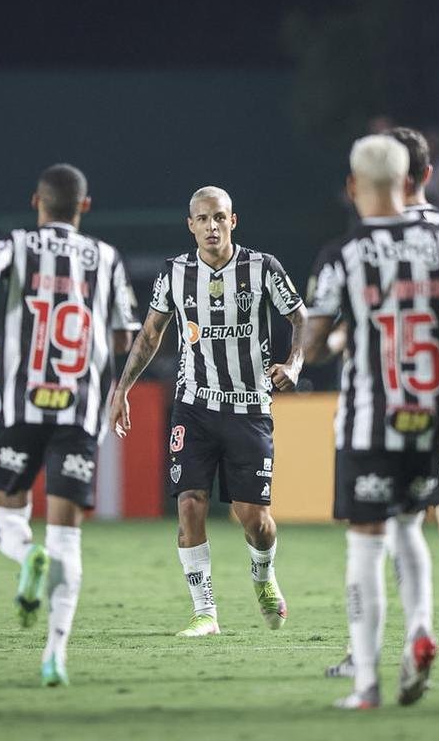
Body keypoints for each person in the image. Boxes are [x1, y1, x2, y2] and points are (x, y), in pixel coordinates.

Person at [303, 135, 439, 709]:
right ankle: (422, 628)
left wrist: (334, 335)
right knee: (416, 526)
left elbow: (313, 345)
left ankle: (367, 681)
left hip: (373, 422)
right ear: (413, 180)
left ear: (353, 186)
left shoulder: (344, 254)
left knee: (369, 541)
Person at [0, 163, 140, 686]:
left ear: (36, 202)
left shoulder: (16, 243)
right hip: (79, 411)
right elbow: (123, 336)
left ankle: (26, 554)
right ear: (84, 206)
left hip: (21, 406)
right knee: (68, 539)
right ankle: (55, 657)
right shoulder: (106, 257)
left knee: (4, 522)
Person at [109, 186, 306, 638]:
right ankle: (205, 613)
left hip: (249, 408)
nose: (212, 226)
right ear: (191, 225)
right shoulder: (174, 273)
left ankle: (263, 575)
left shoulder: (262, 268)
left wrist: (294, 363)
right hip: (194, 407)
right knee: (190, 503)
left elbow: (300, 316)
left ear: (233, 221)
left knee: (255, 520)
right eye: (203, 219)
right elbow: (150, 334)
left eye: (219, 217)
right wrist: (122, 390)